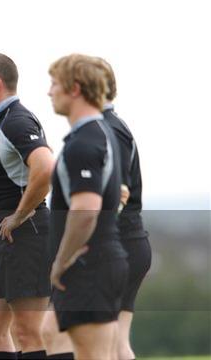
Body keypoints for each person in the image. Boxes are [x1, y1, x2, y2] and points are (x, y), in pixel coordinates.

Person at [0, 53, 54, 360]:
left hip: (27, 238)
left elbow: (45, 167)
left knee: (28, 333)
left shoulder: (16, 120)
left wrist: (19, 213)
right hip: (3, 239)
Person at [47, 53, 128, 360]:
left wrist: (61, 261)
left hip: (87, 265)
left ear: (75, 88)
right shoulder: (97, 134)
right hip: (98, 263)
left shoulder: (84, 142)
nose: (49, 91)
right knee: (52, 333)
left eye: (54, 83)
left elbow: (85, 212)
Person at [98, 57, 152, 360]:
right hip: (126, 242)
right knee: (115, 345)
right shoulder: (107, 126)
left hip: (120, 242)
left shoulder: (110, 129)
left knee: (108, 345)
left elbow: (116, 194)